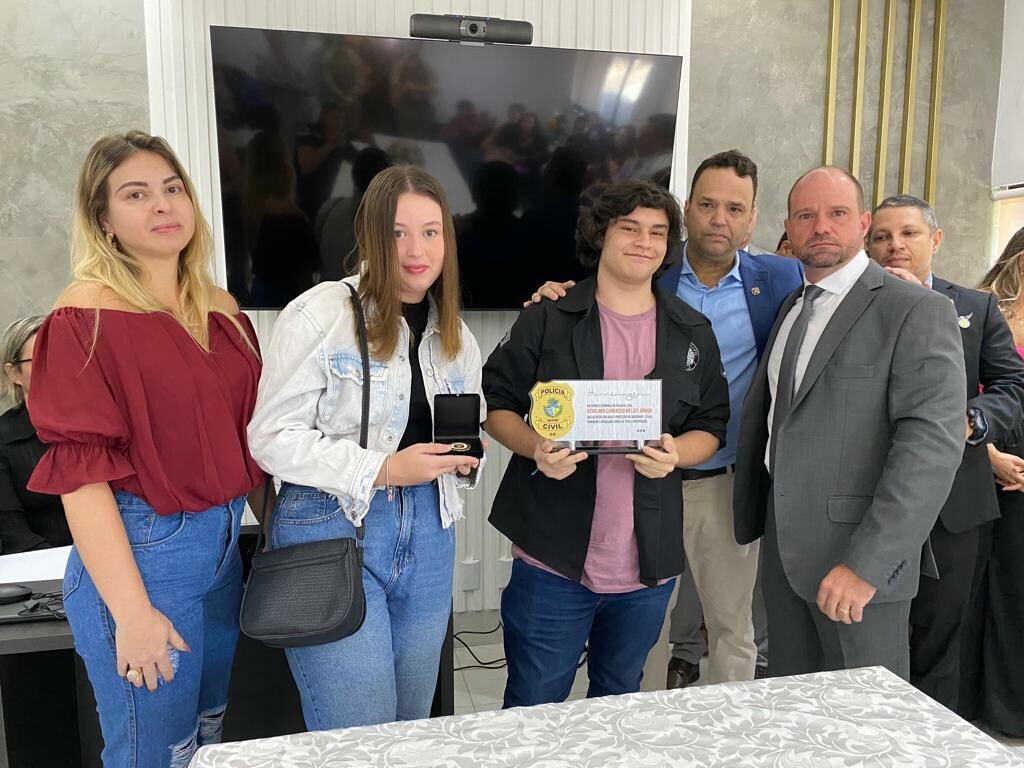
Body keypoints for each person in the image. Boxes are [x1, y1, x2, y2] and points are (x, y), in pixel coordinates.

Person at [26, 131, 267, 767]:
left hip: (223, 548)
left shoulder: (221, 308)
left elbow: (253, 438)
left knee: (205, 738)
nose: (162, 205)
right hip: (144, 554)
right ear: (103, 219)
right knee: (152, 754)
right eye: (135, 194)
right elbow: (81, 477)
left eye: (172, 188)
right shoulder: (84, 316)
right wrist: (131, 613)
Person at [525, 151, 803, 686]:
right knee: (644, 627)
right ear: (687, 209)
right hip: (641, 480)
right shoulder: (648, 266)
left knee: (732, 625)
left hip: (725, 481)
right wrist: (551, 290)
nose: (719, 219)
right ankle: (644, 722)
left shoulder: (780, 277)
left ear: (752, 218)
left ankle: (731, 725)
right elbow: (589, 304)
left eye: (735, 208)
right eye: (707, 205)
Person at [247, 165, 484, 730]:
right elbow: (270, 438)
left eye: (431, 232)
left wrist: (460, 460)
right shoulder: (321, 314)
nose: (416, 250)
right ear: (370, 235)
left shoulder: (458, 337)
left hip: (431, 532)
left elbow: (461, 433)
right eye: (398, 232)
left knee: (410, 725)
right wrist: (383, 469)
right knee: (359, 731)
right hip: (331, 524)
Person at [482, 179, 730, 707]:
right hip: (552, 560)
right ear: (601, 234)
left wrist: (676, 455)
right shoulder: (548, 316)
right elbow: (496, 406)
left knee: (620, 706)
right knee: (532, 707)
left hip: (647, 568)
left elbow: (712, 426)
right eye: (630, 228)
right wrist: (534, 448)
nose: (644, 242)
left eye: (658, 233)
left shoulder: (692, 332)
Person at [732, 166, 967, 679]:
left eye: (836, 213)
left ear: (863, 223)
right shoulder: (792, 307)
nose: (820, 226)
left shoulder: (915, 310)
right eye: (805, 215)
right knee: (794, 707)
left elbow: (929, 451)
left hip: (858, 567)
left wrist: (867, 565)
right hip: (783, 556)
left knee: (865, 717)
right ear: (788, 229)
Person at [866, 195, 1024, 711]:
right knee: (870, 633)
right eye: (882, 236)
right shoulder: (852, 305)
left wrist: (973, 422)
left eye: (909, 233)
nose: (895, 245)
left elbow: (1011, 385)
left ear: (935, 240)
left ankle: (930, 738)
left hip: (957, 506)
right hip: (866, 497)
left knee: (941, 638)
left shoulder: (975, 308)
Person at [972, 226, 1024, 736]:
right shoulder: (981, 309)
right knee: (994, 588)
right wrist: (988, 456)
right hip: (984, 459)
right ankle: (993, 705)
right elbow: (956, 392)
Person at [0, 316, 72, 554]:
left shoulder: (101, 424)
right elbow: (12, 531)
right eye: (40, 359)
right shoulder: (4, 439)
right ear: (13, 373)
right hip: (42, 565)